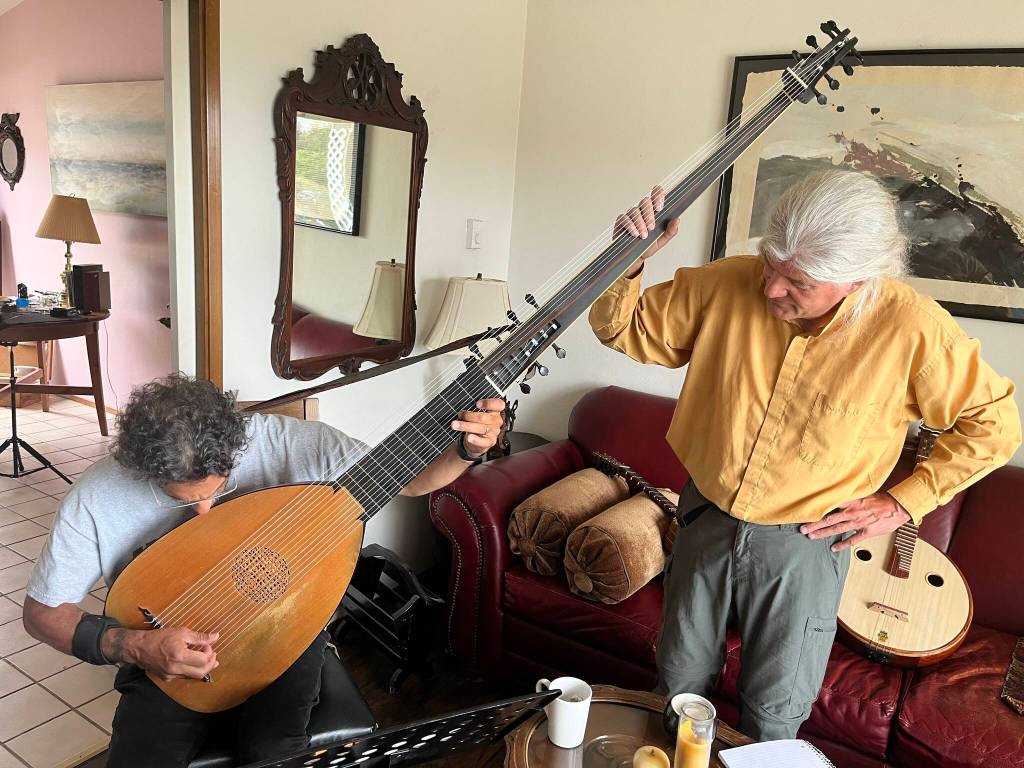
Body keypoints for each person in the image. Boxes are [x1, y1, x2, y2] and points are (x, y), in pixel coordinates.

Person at [588, 170, 1021, 740]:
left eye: (798, 281)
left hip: (808, 543)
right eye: (770, 264)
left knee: (775, 705)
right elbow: (623, 329)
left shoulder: (913, 331)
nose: (770, 288)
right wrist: (628, 259)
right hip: (705, 516)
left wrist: (902, 502)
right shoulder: (728, 284)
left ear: (856, 281)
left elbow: (995, 425)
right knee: (678, 680)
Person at [21, 374, 504, 766]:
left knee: (276, 754)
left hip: (287, 627)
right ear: (142, 469)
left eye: (218, 490)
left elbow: (411, 480)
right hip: (166, 642)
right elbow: (41, 614)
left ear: (237, 443)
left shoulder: (283, 441)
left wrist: (465, 450)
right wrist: (131, 644)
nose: (206, 513)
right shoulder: (97, 495)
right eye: (183, 499)